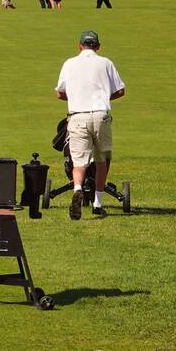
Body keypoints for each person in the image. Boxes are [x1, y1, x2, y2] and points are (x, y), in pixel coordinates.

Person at [55, 30, 126, 219]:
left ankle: (77, 188)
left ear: (79, 46)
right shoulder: (106, 62)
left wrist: (78, 98)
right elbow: (120, 90)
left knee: (79, 162)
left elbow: (60, 94)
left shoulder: (69, 63)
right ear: (98, 46)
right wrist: (104, 97)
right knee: (102, 160)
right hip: (100, 115)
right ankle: (97, 202)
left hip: (78, 116)